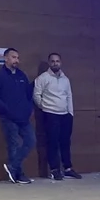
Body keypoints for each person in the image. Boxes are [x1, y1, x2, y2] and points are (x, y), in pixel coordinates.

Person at [0, 48, 35, 184]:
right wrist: (6, 109)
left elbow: (28, 94)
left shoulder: (21, 75)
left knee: (31, 141)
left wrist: (29, 109)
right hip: (7, 117)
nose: (17, 60)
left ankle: (12, 167)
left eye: (18, 58)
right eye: (14, 57)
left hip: (23, 117)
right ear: (6, 58)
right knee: (13, 145)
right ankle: (17, 174)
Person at [34, 52, 81, 180]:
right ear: (49, 63)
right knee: (52, 142)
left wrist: (70, 113)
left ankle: (68, 168)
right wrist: (45, 107)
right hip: (50, 114)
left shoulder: (65, 79)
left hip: (65, 115)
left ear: (61, 63)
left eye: (57, 61)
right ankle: (54, 169)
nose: (55, 63)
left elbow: (69, 96)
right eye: (53, 61)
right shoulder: (42, 78)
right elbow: (36, 95)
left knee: (65, 142)